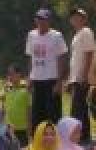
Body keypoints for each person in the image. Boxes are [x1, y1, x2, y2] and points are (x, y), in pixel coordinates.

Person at [25, 9, 69, 139]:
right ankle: (37, 143)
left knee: (52, 115)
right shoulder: (31, 35)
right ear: (35, 20)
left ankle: (54, 143)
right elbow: (30, 57)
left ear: (49, 21)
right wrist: (29, 77)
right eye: (38, 19)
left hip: (51, 80)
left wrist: (59, 82)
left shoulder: (56, 36)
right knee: (37, 115)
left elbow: (62, 58)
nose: (41, 22)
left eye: (43, 19)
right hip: (37, 79)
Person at [67, 9, 96, 146]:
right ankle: (83, 135)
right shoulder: (76, 35)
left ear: (84, 19)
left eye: (79, 17)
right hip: (76, 76)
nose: (76, 19)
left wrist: (84, 76)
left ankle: (82, 136)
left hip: (82, 77)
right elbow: (75, 59)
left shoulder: (86, 32)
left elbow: (89, 53)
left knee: (77, 108)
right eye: (74, 17)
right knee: (80, 107)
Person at [0, 64, 30, 147]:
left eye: (12, 74)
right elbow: (3, 108)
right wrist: (1, 129)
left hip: (22, 129)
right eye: (8, 74)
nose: (9, 76)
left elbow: (29, 111)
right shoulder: (6, 88)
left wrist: (29, 131)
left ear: (19, 74)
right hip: (7, 127)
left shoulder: (26, 88)